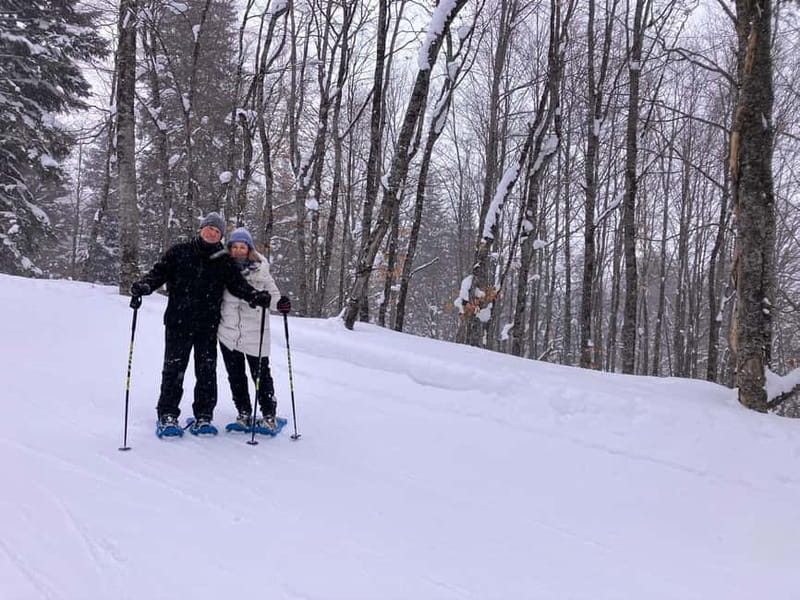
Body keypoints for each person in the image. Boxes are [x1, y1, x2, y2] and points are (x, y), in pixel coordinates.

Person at [130, 213, 271, 437]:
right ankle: (168, 415)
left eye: (217, 231)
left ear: (221, 235)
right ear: (201, 229)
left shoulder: (223, 259)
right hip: (178, 322)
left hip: (207, 326)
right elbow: (159, 274)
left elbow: (237, 285)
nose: (211, 233)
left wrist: (255, 296)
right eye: (209, 228)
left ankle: (204, 416)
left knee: (206, 372)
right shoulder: (179, 251)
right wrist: (144, 287)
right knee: (174, 370)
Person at [217, 227, 291, 434]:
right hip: (228, 333)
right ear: (229, 248)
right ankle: (243, 413)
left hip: (255, 333)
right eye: (235, 247)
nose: (238, 251)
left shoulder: (261, 270)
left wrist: (281, 303)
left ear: (249, 249)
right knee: (236, 377)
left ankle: (269, 415)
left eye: (243, 247)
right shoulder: (222, 269)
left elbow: (274, 295)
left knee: (261, 376)